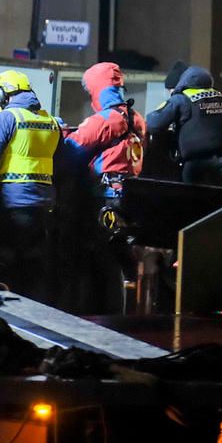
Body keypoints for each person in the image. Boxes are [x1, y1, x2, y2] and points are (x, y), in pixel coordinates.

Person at [0, 70, 62, 299]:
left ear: (3, 94)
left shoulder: (9, 117)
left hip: (11, 202)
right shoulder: (50, 122)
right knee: (32, 263)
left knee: (3, 259)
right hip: (43, 204)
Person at [65, 62, 149, 310]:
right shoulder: (136, 118)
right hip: (128, 197)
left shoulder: (105, 120)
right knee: (122, 259)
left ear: (97, 89)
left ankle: (104, 316)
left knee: (102, 260)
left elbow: (71, 151)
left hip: (104, 199)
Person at [145, 64, 222, 186]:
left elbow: (154, 123)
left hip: (197, 165)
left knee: (193, 201)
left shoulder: (181, 99)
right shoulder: (219, 96)